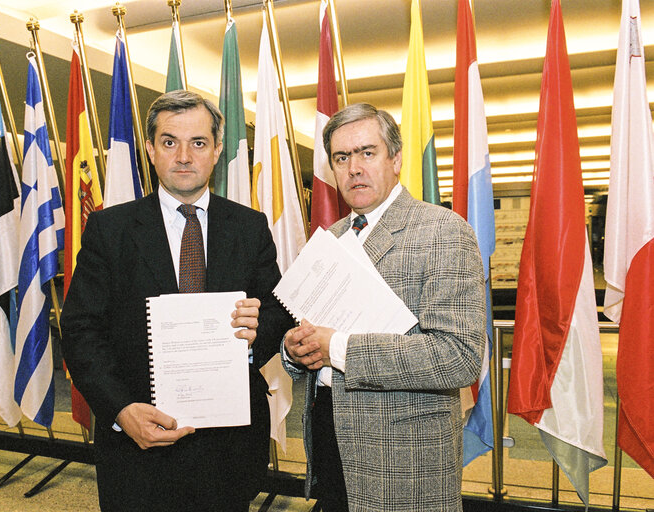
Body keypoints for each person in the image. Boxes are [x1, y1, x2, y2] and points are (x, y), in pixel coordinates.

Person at [61, 90, 293, 512]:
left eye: (198, 143)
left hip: (229, 445)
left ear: (218, 149)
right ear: (151, 149)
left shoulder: (250, 226)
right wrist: (120, 410)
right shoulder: (109, 230)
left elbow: (276, 311)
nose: (184, 156)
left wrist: (256, 332)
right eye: (170, 142)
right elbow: (80, 331)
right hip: (138, 444)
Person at [282, 103, 486, 512]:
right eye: (342, 157)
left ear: (395, 159)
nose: (353, 168)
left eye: (366, 153)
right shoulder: (327, 240)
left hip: (402, 459)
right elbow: (312, 338)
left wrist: (336, 347)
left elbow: (459, 357)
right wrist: (294, 349)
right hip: (329, 446)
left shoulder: (444, 231)